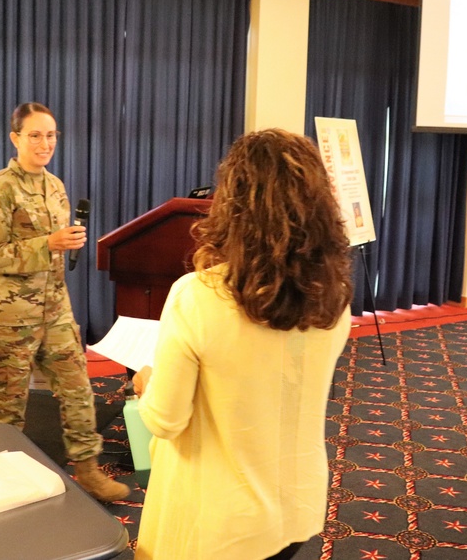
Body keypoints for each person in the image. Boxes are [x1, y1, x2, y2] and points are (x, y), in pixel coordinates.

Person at [132, 129, 354, 559]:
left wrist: (147, 383)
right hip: (298, 504)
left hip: (222, 523)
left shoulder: (197, 296)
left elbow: (165, 421)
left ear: (231, 204)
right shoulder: (333, 298)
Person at [0, 101, 129, 503]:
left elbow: (54, 251)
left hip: (55, 309)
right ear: (15, 138)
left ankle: (89, 470)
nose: (45, 143)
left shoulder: (55, 185)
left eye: (51, 135)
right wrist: (49, 244)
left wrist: (65, 244)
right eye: (35, 135)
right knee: (9, 407)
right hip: (10, 317)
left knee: (78, 390)